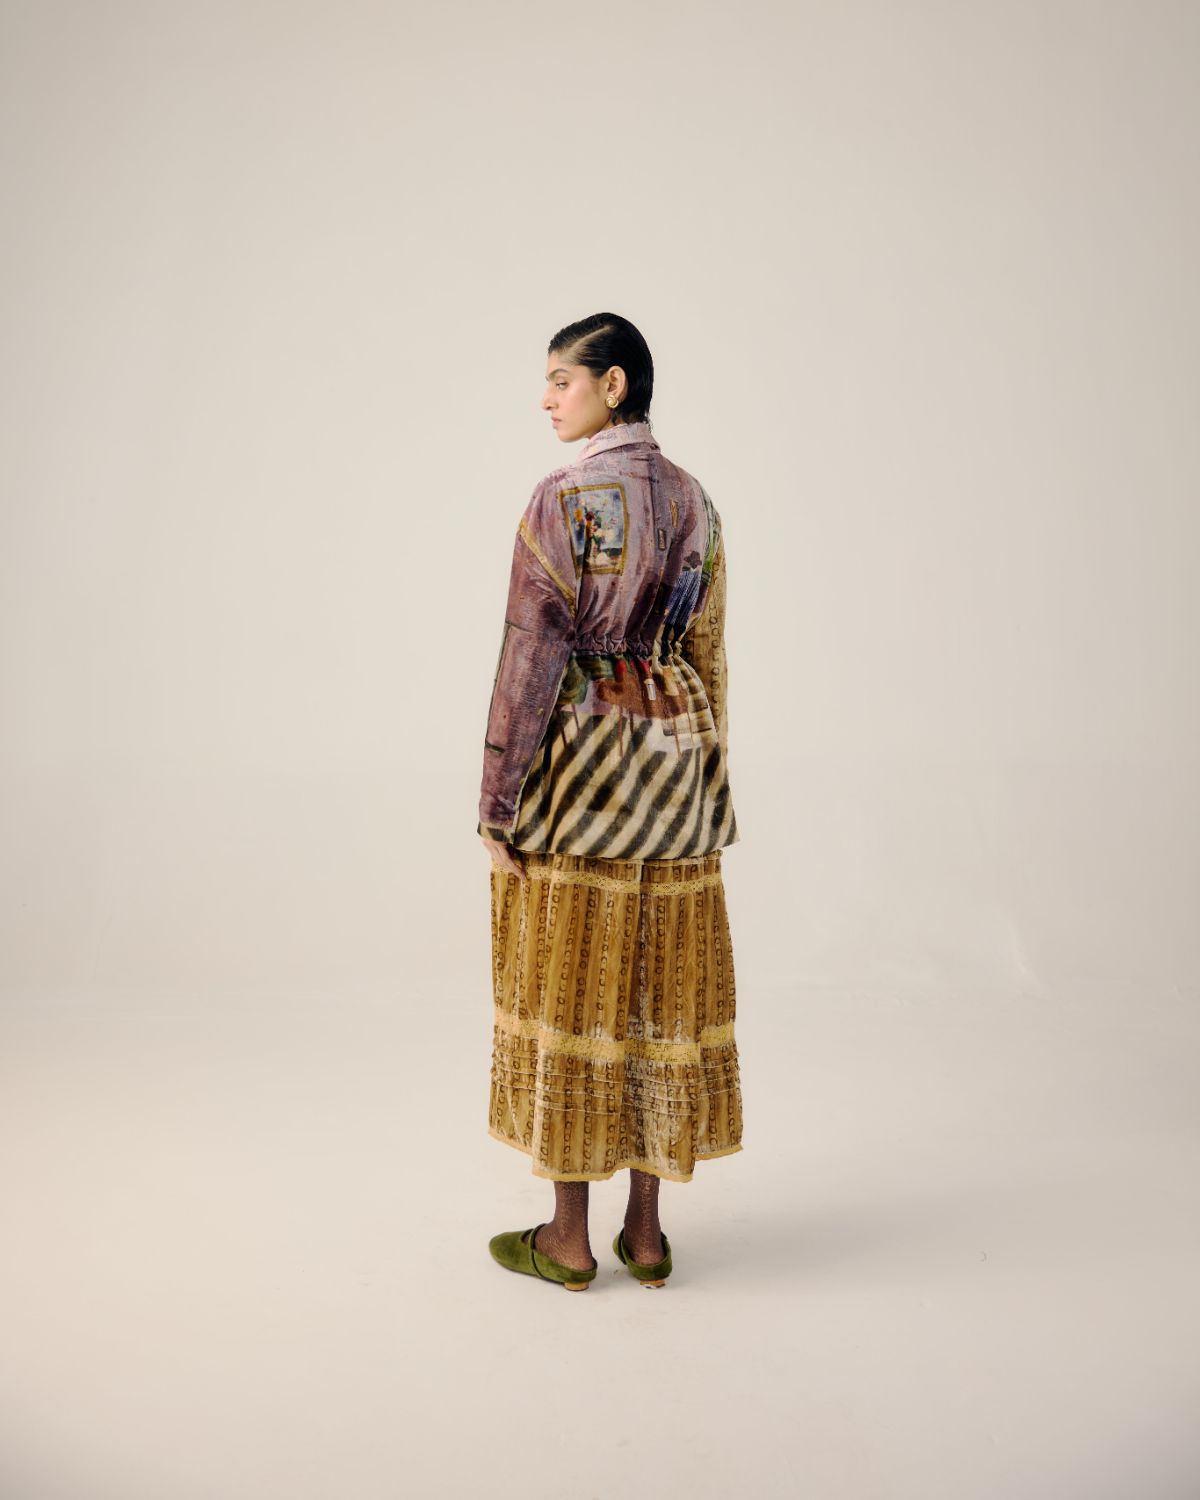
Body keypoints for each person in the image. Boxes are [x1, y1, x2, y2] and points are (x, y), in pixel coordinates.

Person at [479, 312, 743, 1292]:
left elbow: (531, 659)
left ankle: (566, 1239)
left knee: (574, 990)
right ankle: (647, 1235)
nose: (548, 398)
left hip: (582, 776)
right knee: (659, 994)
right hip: (679, 773)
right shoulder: (695, 501)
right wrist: (706, 777)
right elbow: (708, 652)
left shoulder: (562, 498)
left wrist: (498, 800)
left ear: (615, 385)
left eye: (563, 379)